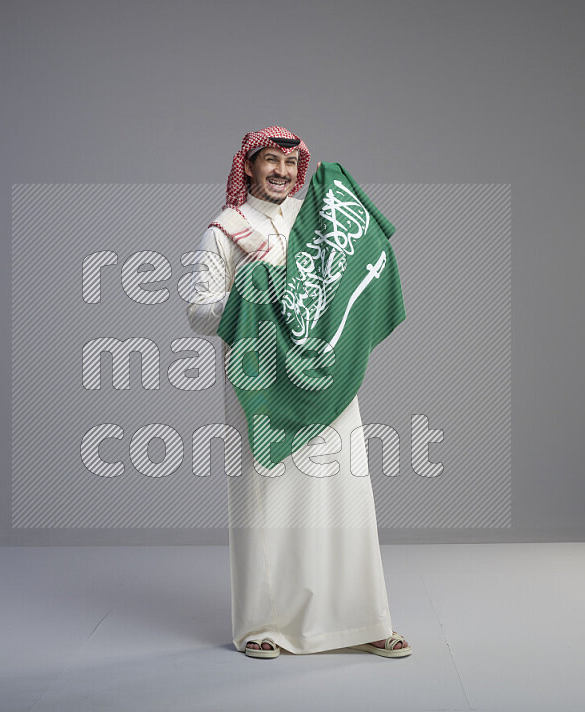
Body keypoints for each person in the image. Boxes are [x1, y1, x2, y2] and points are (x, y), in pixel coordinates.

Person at [183, 126, 411, 659]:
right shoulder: (225, 230)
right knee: (266, 502)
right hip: (259, 384)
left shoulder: (319, 217)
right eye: (270, 161)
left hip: (326, 375)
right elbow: (198, 312)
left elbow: (355, 261)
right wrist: (247, 293)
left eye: (291, 162)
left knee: (346, 495)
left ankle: (364, 620)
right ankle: (264, 626)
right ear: (249, 166)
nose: (282, 172)